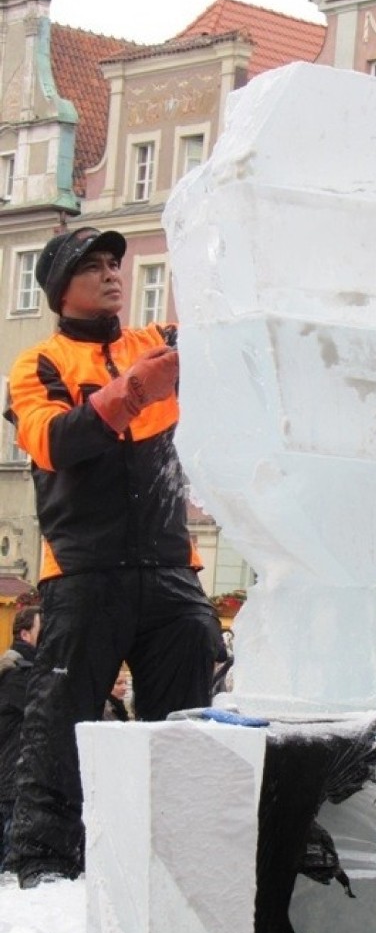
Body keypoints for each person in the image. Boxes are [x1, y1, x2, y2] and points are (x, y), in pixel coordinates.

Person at [4, 225, 221, 889]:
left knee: (187, 727)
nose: (111, 275)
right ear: (59, 288)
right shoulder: (37, 364)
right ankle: (42, 872)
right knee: (59, 725)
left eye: (114, 264)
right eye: (92, 266)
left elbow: (233, 337)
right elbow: (53, 443)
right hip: (83, 573)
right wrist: (133, 391)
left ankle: (181, 868)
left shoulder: (155, 341)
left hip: (168, 565)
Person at [0, 606, 42, 870]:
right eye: (43, 628)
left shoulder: (21, 670)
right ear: (26, 634)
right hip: (15, 784)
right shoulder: (19, 675)